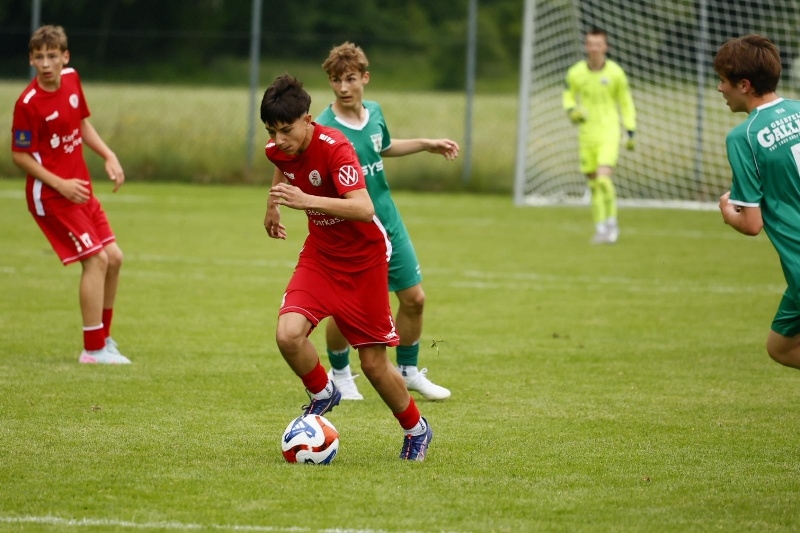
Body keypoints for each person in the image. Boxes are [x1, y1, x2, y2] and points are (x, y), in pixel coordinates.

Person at [261, 74, 433, 460]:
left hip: (364, 261)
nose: (278, 140)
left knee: (373, 364)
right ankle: (324, 392)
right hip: (321, 256)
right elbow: (281, 163)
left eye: (286, 130)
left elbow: (363, 208)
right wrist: (273, 205)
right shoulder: (278, 148)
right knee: (288, 335)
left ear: (308, 120)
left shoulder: (335, 148)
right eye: (272, 131)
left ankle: (417, 429)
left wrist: (305, 200)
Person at [317, 41, 458, 401]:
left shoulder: (375, 112)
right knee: (346, 309)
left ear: (365, 78)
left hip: (390, 223)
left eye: (350, 79)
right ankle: (339, 373)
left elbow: (382, 146)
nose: (343, 87)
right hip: (354, 232)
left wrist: (425, 143)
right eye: (336, 80)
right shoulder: (324, 128)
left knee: (415, 298)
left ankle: (408, 371)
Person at [11, 25, 130, 364]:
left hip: (80, 189)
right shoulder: (28, 104)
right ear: (31, 60)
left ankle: (104, 340)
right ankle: (92, 349)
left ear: (65, 57)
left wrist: (108, 155)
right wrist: (60, 184)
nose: (46, 63)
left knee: (114, 258)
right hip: (51, 196)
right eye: (39, 57)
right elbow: (19, 155)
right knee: (96, 260)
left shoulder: (72, 79)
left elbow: (80, 123)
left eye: (52, 56)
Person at [716, 34, 800, 371]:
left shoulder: (744, 137)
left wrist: (728, 212)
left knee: (782, 349)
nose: (720, 88)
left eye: (723, 81)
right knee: (780, 345)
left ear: (744, 85)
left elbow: (751, 224)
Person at [562, 27, 637, 244]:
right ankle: (600, 228)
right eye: (590, 44)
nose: (594, 48)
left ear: (606, 47)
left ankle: (612, 225)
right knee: (594, 185)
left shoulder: (615, 73)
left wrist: (630, 130)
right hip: (587, 135)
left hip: (609, 132)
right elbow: (568, 96)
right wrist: (572, 111)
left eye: (598, 44)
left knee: (603, 179)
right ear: (586, 46)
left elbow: (626, 103)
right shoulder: (575, 72)